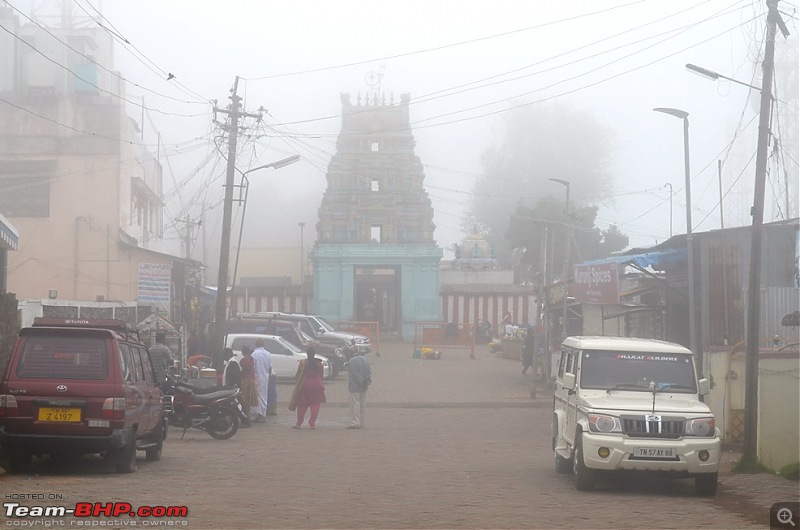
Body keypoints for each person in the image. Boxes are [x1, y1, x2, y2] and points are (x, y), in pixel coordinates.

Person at [291, 347, 327, 429]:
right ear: (314, 354)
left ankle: (298, 423)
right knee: (315, 404)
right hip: (317, 385)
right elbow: (321, 375)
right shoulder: (319, 364)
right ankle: (312, 423)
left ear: (307, 354)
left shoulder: (303, 362)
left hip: (305, 385)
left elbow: (298, 373)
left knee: (302, 405)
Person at [346, 349, 372, 429]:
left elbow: (354, 374)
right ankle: (362, 422)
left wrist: (361, 381)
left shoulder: (352, 361)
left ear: (352, 352)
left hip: (355, 386)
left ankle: (355, 423)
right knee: (363, 404)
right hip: (364, 386)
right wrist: (367, 380)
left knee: (355, 404)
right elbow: (369, 371)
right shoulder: (365, 359)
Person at [250, 339, 272, 423]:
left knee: (257, 396)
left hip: (257, 377)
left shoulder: (254, 354)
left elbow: (253, 366)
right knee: (264, 396)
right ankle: (262, 414)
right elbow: (269, 367)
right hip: (265, 378)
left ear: (256, 344)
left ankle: (259, 415)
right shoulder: (268, 354)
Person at [239, 346, 258, 421]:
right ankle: (248, 415)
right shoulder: (251, 358)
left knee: (244, 399)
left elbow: (243, 370)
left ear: (242, 351)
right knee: (249, 399)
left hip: (246, 380)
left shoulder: (243, 360)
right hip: (252, 379)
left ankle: (246, 416)